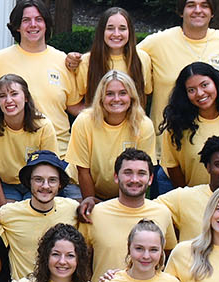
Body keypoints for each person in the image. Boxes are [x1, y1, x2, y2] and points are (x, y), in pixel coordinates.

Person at [136, 0, 219, 124]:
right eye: (191, 5)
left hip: (213, 133)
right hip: (167, 133)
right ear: (181, 11)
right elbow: (126, 58)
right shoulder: (158, 42)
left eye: (204, 5)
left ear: (212, 12)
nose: (198, 10)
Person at [0, 0, 78, 135]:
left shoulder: (63, 61)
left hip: (56, 144)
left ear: (46, 24)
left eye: (39, 19)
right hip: (10, 144)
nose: (33, 24)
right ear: (17, 26)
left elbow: (74, 106)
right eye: (26, 20)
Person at [81, 148, 175, 276]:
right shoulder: (95, 213)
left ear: (150, 179)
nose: (134, 179)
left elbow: (169, 254)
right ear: (116, 177)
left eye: (141, 173)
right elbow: (82, 259)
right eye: (128, 173)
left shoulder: (162, 213)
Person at [66, 70, 156, 200]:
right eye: (109, 94)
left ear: (131, 96)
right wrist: (91, 203)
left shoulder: (143, 124)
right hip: (80, 186)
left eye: (123, 93)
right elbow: (83, 171)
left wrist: (122, 204)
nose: (116, 99)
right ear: (101, 98)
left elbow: (143, 170)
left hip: (123, 190)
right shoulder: (84, 121)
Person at [0, 74, 63, 201]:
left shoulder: (43, 125)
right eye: (2, 96)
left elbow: (49, 167)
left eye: (14, 94)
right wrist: (3, 205)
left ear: (26, 97)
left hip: (36, 182)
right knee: (10, 212)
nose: (8, 100)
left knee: (31, 212)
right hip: (5, 184)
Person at [159, 62, 219, 189]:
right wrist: (190, 196)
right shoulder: (177, 121)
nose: (200, 93)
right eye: (191, 90)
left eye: (204, 85)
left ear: (216, 83)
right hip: (189, 192)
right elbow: (172, 165)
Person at [0, 153, 81, 280]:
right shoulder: (7, 213)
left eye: (52, 180)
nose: (45, 186)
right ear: (29, 182)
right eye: (38, 179)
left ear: (60, 184)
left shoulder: (72, 208)